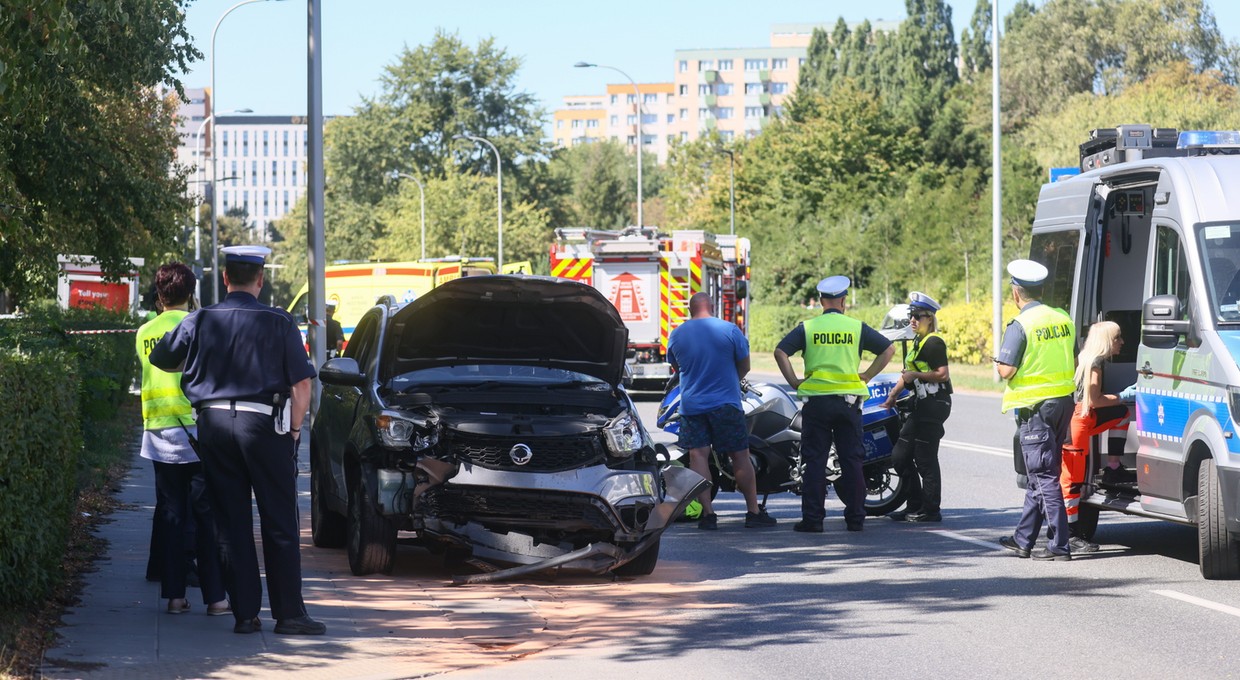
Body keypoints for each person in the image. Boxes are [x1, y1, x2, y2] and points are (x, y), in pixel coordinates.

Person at [150, 245, 325, 635]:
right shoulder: (279, 321)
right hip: (263, 426)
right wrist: (295, 431)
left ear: (225, 278)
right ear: (261, 279)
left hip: (213, 425)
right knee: (279, 520)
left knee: (229, 523)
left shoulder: (200, 319)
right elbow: (302, 384)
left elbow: (162, 358)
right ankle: (289, 615)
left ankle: (245, 614)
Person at [137, 263, 229, 616]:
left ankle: (174, 597)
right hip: (196, 429)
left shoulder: (144, 332)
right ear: (191, 293)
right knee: (206, 516)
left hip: (158, 431)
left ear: (159, 294)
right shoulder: (199, 325)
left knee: (171, 515)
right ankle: (216, 599)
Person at [775, 276, 895, 533]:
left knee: (815, 462)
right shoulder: (856, 327)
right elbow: (888, 350)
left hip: (817, 404)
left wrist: (794, 381)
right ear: (843, 301)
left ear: (821, 301)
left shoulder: (808, 328)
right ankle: (856, 519)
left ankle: (813, 520)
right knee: (852, 461)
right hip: (848, 404)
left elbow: (780, 352)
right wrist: (868, 375)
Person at [666, 292, 777, 530]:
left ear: (690, 310)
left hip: (693, 406)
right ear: (712, 307)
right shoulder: (730, 330)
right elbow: (745, 365)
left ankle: (708, 515)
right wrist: (731, 380)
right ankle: (753, 512)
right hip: (726, 404)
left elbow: (677, 367)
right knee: (740, 456)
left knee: (698, 457)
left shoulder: (677, 334)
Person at [996, 260, 1077, 561]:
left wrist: (1001, 363)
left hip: (1036, 408)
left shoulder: (1021, 325)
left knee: (1043, 476)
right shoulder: (1062, 318)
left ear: (1016, 293)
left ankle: (1059, 544)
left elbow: (1006, 370)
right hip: (1063, 402)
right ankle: (1023, 540)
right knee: (1040, 474)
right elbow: (1072, 357)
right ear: (1041, 290)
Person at [1060, 321, 1136, 552]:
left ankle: (1113, 466)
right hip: (1079, 421)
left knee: (1122, 415)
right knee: (1072, 480)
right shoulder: (1095, 363)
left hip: (1083, 418)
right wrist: (1123, 396)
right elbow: (1094, 400)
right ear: (1107, 341)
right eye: (1118, 338)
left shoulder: (1085, 357)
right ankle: (1069, 534)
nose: (1122, 342)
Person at [882, 292, 952, 523]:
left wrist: (915, 375)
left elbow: (942, 374)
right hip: (921, 405)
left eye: (918, 316)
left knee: (925, 458)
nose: (912, 320)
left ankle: (931, 510)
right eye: (910, 316)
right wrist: (892, 396)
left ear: (929, 318)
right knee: (900, 457)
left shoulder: (933, 342)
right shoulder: (918, 342)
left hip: (934, 404)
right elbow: (907, 374)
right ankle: (914, 504)